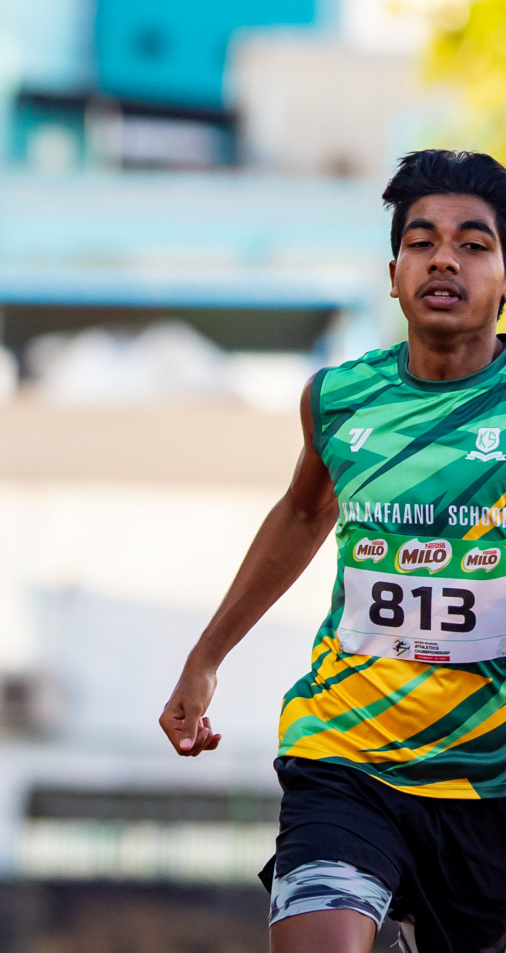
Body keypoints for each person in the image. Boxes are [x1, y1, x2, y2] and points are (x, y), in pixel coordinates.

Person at [160, 149, 506, 953]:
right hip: (348, 754)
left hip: (489, 774)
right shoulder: (339, 398)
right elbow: (304, 511)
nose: (444, 257)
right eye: (421, 242)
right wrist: (207, 656)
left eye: (474, 243)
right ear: (393, 275)